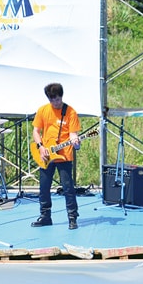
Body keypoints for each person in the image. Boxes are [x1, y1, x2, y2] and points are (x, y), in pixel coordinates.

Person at [31, 82, 81, 229]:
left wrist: (75, 142)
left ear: (61, 97)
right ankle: (45, 216)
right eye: (52, 100)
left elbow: (73, 135)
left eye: (57, 99)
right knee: (44, 187)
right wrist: (40, 147)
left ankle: (72, 217)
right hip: (46, 154)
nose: (55, 103)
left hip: (64, 155)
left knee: (68, 187)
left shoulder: (70, 112)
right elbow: (36, 131)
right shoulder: (43, 110)